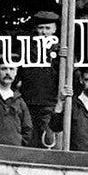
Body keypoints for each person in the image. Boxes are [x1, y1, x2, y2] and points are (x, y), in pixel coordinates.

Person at [16, 11, 60, 146]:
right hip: (28, 102)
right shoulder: (27, 49)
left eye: (48, 28)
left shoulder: (60, 51)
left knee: (48, 140)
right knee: (29, 138)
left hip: (49, 103)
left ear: (54, 30)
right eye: (41, 28)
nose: (44, 32)